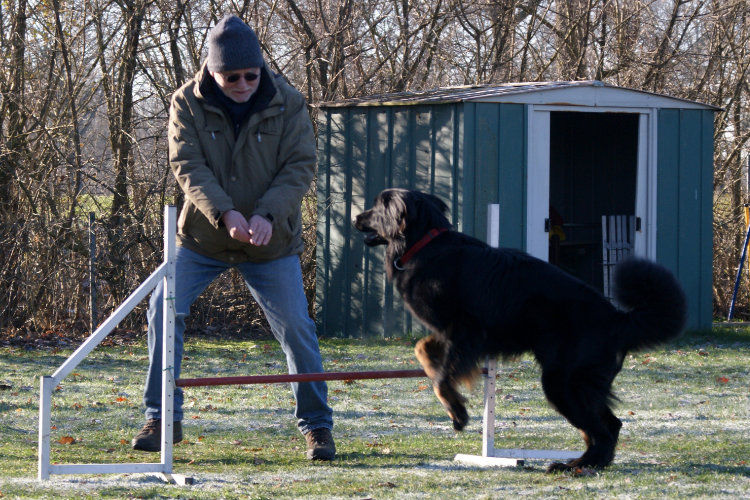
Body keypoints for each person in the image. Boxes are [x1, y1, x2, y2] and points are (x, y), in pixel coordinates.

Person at [131, 14, 335, 460]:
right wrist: (225, 213)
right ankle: (162, 415)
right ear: (212, 70)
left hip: (271, 241)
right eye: (231, 76)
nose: (243, 84)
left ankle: (317, 425)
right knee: (163, 311)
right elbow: (187, 164)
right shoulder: (185, 101)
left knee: (298, 329)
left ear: (261, 69)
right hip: (203, 238)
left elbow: (300, 165)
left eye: (251, 74)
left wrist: (266, 214)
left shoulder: (290, 102)